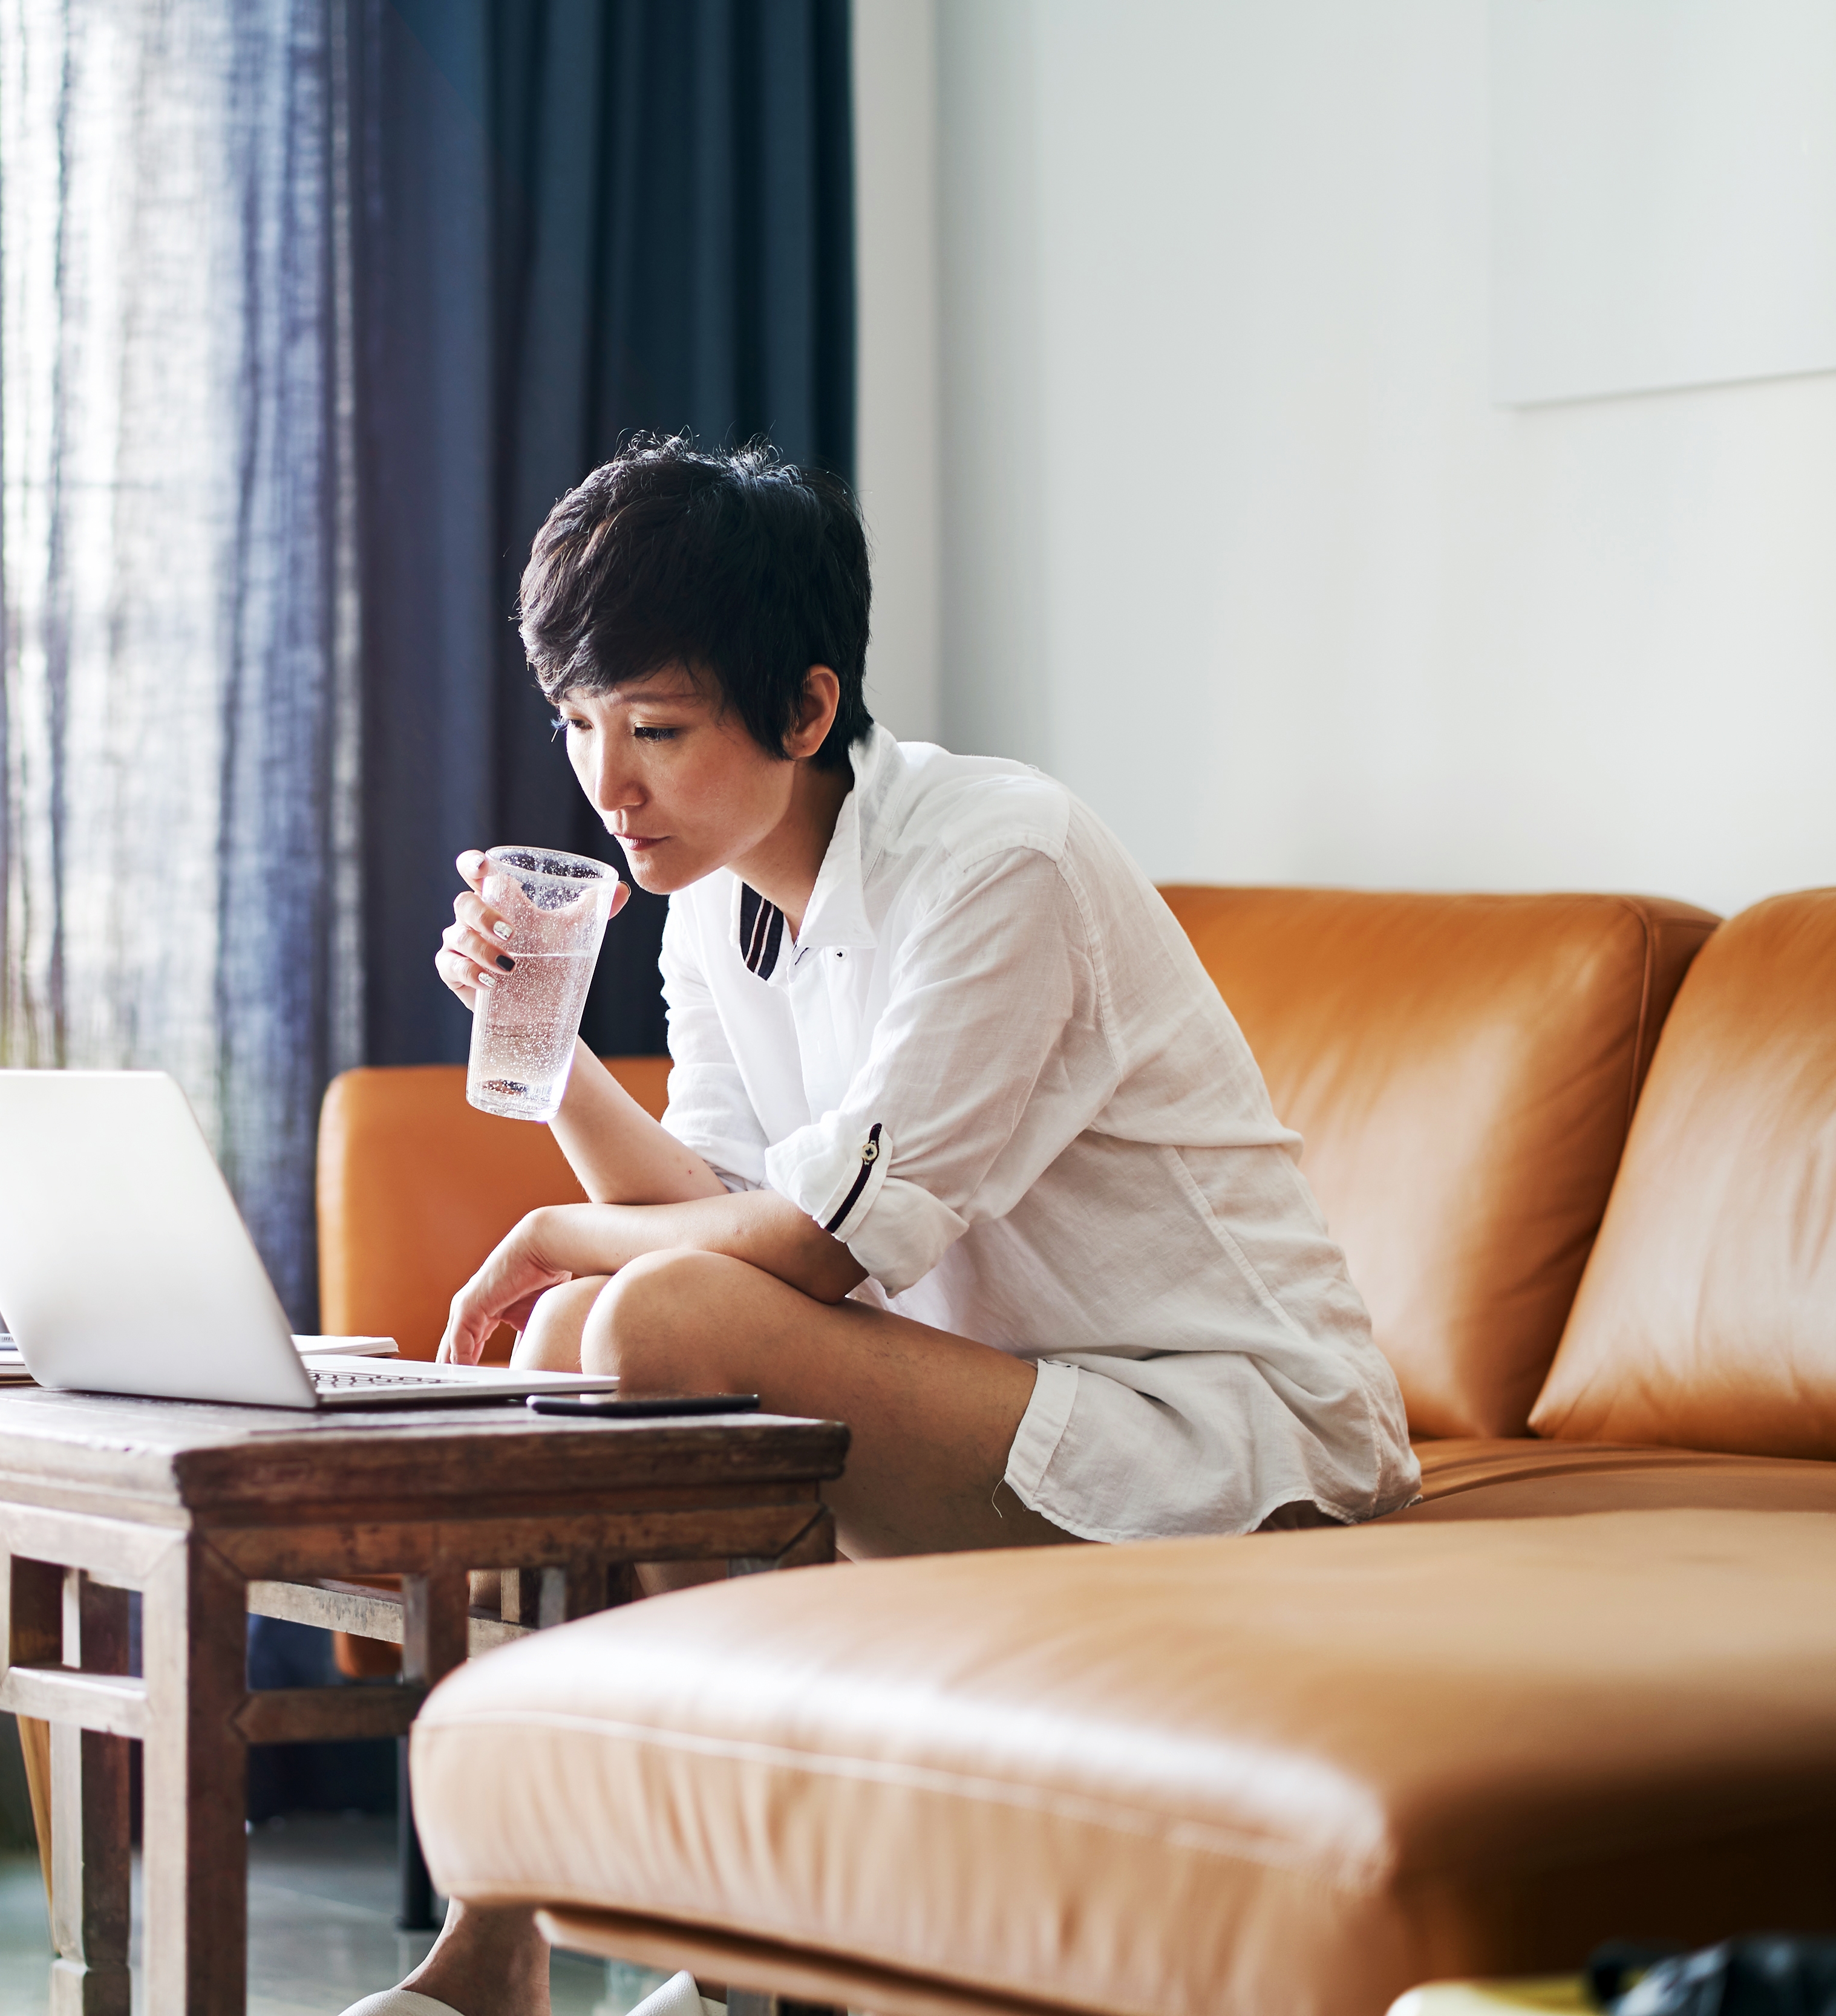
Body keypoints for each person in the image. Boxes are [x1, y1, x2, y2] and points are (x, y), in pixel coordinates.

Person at [342, 437, 1416, 2016]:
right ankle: (506, 1941)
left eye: (655, 728)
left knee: (628, 1318)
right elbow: (707, 1208)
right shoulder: (712, 897)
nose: (607, 784)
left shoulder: (1001, 861)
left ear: (807, 709)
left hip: (1229, 1429)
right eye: (579, 727)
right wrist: (552, 1053)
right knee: (600, 1328)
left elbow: (806, 1255)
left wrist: (570, 1243)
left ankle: (718, 1960)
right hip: (991, 1396)